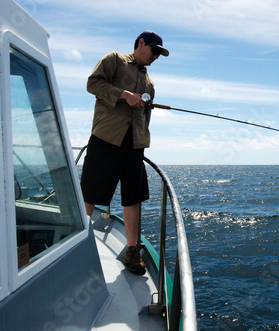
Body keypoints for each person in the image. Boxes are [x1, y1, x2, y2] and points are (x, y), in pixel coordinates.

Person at [81, 31, 169, 274]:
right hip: (106, 140)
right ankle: (76, 246)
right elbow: (93, 84)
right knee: (90, 193)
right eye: (154, 51)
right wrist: (124, 95)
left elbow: (144, 114)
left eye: (159, 54)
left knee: (133, 197)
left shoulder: (149, 82)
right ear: (141, 43)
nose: (156, 57)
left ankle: (132, 252)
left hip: (134, 146)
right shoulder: (115, 60)